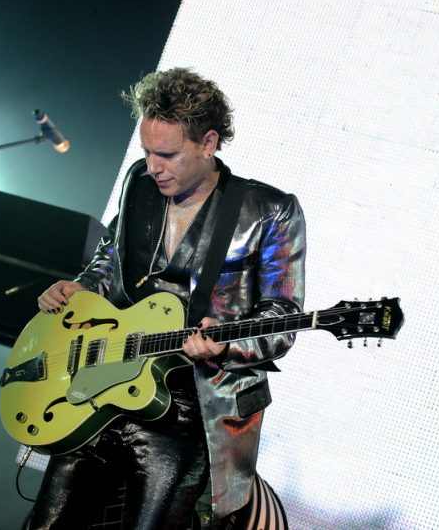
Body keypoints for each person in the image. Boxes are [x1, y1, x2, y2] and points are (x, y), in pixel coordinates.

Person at [29, 67, 306, 529]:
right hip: (104, 386)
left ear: (208, 142)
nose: (153, 166)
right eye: (146, 151)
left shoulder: (268, 211)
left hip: (190, 410)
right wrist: (82, 288)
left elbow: (284, 317)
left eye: (168, 155)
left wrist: (225, 342)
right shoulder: (140, 181)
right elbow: (111, 258)